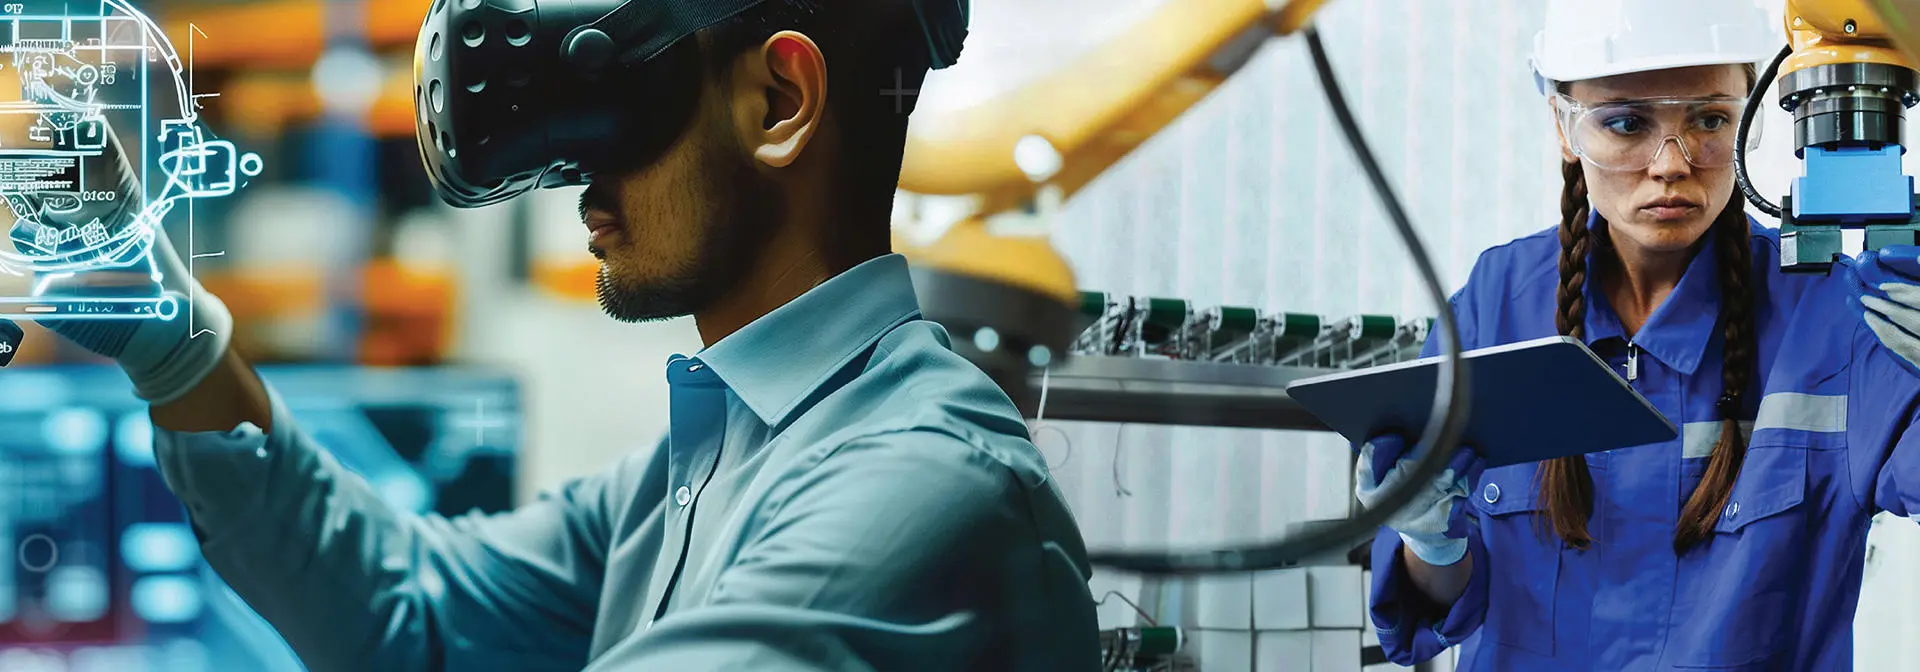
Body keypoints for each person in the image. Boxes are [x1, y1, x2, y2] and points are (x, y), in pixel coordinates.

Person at [2, 1, 1101, 670]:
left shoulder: (918, 497)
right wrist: (177, 341)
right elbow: (407, 616)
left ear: (777, 103)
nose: (576, 176)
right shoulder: (709, 463)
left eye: (616, 102)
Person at [1354, 1, 1920, 669]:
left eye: (1710, 120)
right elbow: (1437, 605)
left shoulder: (1832, 315)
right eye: (1626, 124)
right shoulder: (1498, 304)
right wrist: (1430, 543)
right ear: (1564, 127)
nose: (1671, 164)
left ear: (1750, 117)